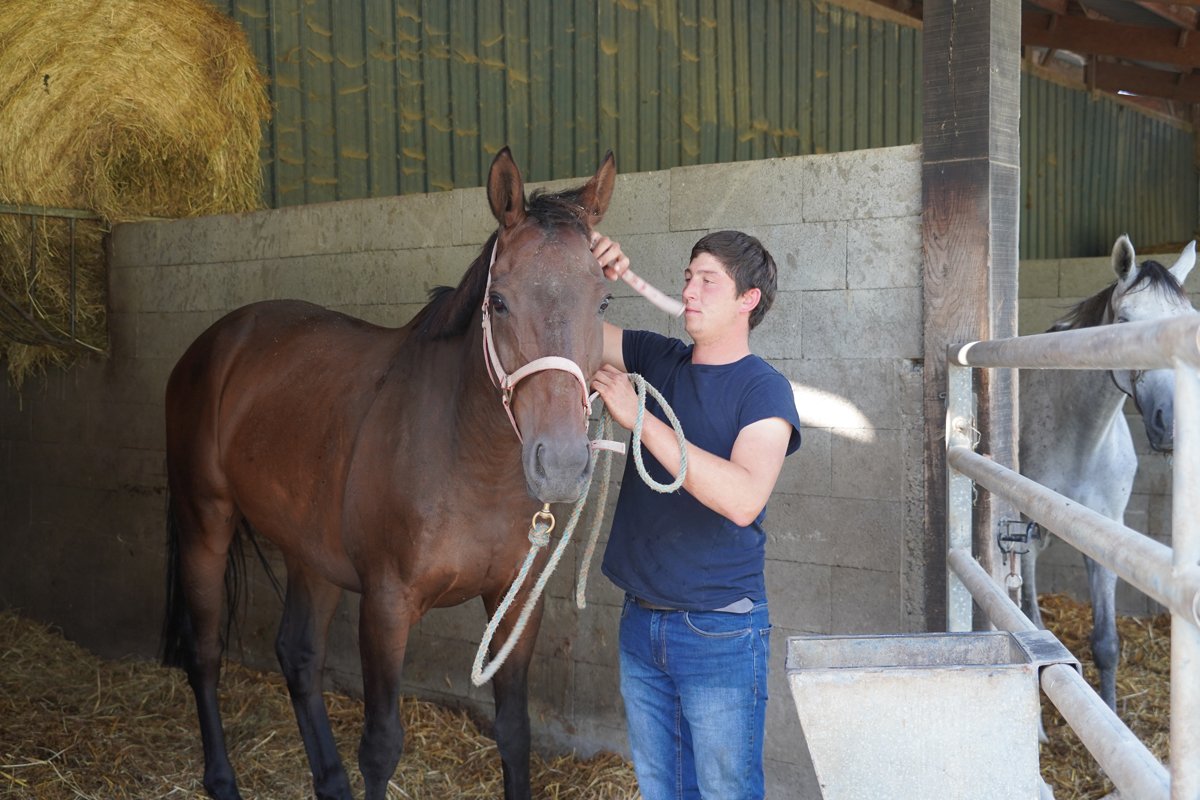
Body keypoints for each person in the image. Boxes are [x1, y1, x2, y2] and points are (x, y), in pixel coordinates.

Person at [589, 229, 802, 800]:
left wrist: (640, 419)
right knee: (662, 788)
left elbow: (743, 498)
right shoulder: (657, 357)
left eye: (709, 281)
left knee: (725, 791)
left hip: (719, 631)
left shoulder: (765, 391)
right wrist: (587, 270)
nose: (689, 291)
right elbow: (570, 330)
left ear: (748, 299)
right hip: (641, 621)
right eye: (688, 277)